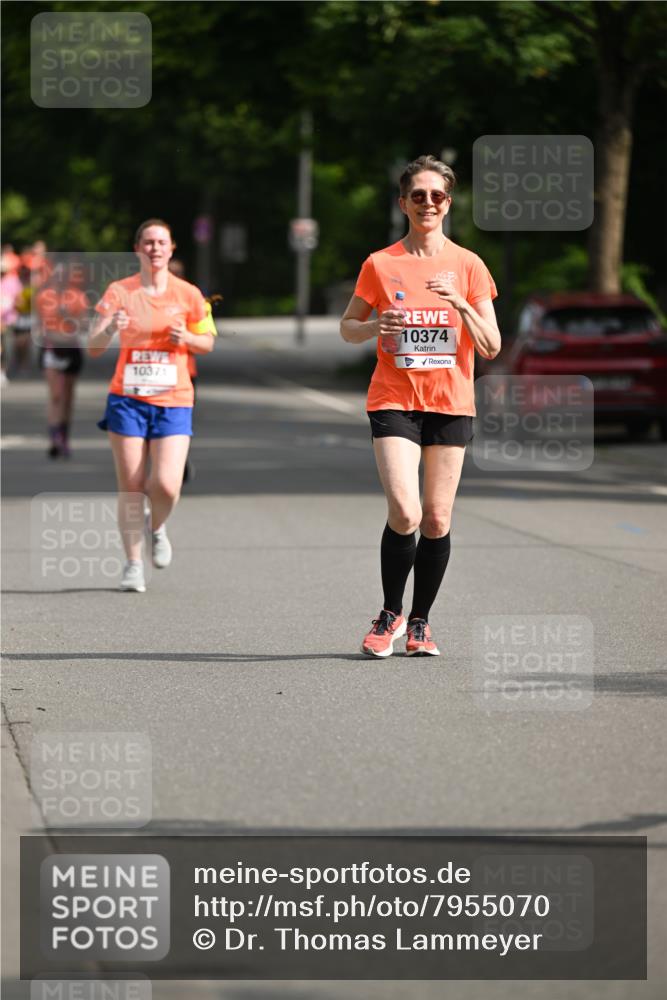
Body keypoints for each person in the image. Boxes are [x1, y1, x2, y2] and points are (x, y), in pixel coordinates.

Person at [340, 154, 500, 657]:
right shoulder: (380, 263)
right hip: (394, 399)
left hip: (452, 402)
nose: (427, 202)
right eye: (417, 195)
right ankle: (389, 613)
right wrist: (373, 327)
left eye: (437, 195)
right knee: (405, 511)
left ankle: (421, 623)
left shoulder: (469, 265)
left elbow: (492, 345)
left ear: (448, 204)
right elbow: (348, 326)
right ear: (403, 202)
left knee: (436, 518)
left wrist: (460, 302)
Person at [88, 219, 214, 592]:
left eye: (161, 242)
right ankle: (132, 565)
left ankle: (156, 526)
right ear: (137, 249)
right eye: (147, 242)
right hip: (127, 399)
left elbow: (207, 342)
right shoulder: (118, 291)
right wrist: (111, 328)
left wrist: (187, 336)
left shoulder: (189, 294)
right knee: (131, 485)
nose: (154, 248)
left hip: (174, 399)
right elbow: (93, 346)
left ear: (171, 248)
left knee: (165, 485)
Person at [34, 261, 89, 457]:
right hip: (51, 348)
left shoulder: (78, 297)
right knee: (55, 395)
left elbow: (83, 326)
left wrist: (69, 317)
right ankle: (54, 438)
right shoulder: (43, 297)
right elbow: (38, 324)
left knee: (67, 396)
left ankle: (65, 435)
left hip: (71, 349)